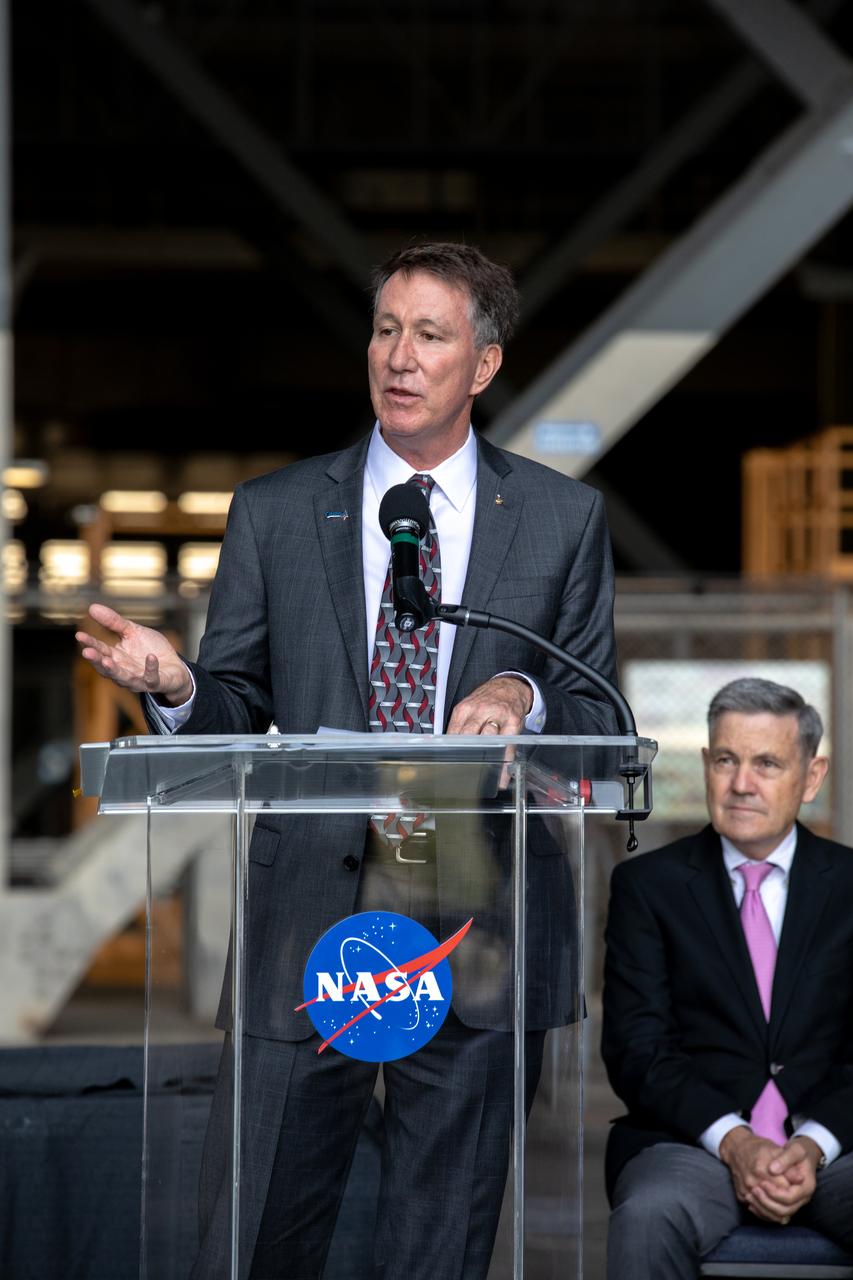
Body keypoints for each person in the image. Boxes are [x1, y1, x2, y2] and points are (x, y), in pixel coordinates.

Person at [77, 241, 619, 1279]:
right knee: (261, 1233)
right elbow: (238, 697)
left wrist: (524, 691)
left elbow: (594, 699)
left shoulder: (559, 519)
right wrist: (180, 682)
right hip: (308, 928)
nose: (398, 356)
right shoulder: (277, 512)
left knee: (440, 1246)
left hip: (478, 931)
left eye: (429, 334)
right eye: (383, 329)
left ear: (485, 364)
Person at [602, 676, 853, 1280]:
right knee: (648, 1215)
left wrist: (815, 1143)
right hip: (693, 1146)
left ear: (811, 777)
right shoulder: (649, 888)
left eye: (767, 763)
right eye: (726, 760)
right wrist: (736, 1142)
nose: (742, 784)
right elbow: (639, 1050)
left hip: (839, 1147)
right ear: (706, 766)